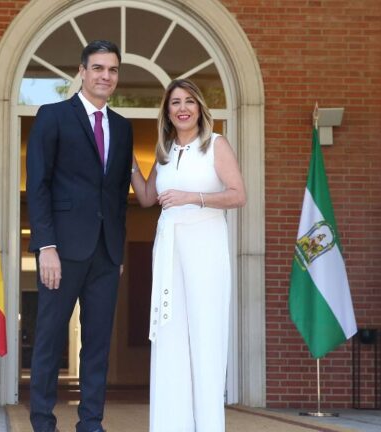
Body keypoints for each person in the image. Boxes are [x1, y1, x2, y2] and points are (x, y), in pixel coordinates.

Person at [26, 40, 133, 432]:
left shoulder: (122, 128)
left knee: (98, 343)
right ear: (83, 72)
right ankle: (42, 422)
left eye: (113, 70)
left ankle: (91, 423)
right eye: (99, 68)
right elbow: (38, 185)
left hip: (105, 253)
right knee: (50, 339)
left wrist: (118, 251)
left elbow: (119, 193)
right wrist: (45, 246)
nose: (106, 76)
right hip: (63, 249)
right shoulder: (53, 116)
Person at [130, 79, 246, 432]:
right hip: (168, 251)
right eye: (175, 102)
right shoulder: (164, 152)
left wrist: (192, 196)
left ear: (199, 108)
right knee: (170, 339)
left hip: (205, 246)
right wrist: (129, 163)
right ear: (167, 111)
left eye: (189, 101)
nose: (182, 108)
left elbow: (238, 195)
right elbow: (149, 197)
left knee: (205, 336)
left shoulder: (216, 145)